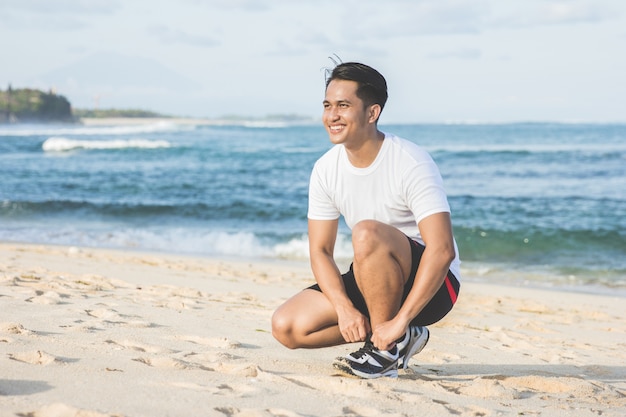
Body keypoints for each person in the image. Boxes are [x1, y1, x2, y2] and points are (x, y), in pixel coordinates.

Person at [271, 62, 461, 379]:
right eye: (328, 106)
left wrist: (400, 320)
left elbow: (441, 250)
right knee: (288, 328)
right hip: (373, 276)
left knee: (366, 232)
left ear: (372, 113)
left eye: (343, 106)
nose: (332, 116)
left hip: (434, 287)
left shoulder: (410, 161)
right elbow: (320, 250)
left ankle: (387, 348)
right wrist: (345, 309)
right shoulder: (325, 168)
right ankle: (399, 338)